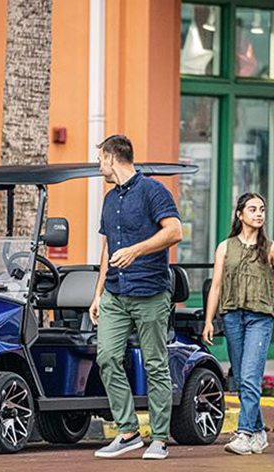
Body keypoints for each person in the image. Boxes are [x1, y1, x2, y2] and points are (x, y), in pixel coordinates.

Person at [90, 135, 183, 461]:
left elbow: (174, 231)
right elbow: (107, 247)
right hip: (115, 293)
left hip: (150, 293)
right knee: (107, 358)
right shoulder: (109, 198)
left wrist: (136, 250)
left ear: (112, 158)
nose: (99, 165)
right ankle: (128, 432)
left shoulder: (153, 191)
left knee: (155, 365)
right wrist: (98, 293)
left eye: (100, 158)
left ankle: (159, 438)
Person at [202, 193, 274, 455]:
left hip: (259, 319)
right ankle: (259, 431)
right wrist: (209, 320)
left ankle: (243, 434)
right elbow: (216, 286)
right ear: (240, 214)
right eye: (252, 209)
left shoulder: (273, 249)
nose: (259, 214)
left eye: (262, 209)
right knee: (241, 378)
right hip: (231, 317)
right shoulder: (224, 247)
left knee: (251, 377)